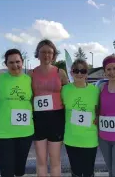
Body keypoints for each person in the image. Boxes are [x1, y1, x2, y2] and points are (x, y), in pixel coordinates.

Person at [28, 39, 68, 176]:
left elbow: (69, 95)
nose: (46, 55)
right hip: (38, 119)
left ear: (54, 55)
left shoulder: (60, 73)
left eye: (49, 52)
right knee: (41, 160)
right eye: (43, 52)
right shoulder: (31, 74)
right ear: (37, 54)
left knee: (55, 160)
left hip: (56, 118)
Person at [0, 49, 34, 177]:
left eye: (18, 62)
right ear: (6, 64)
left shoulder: (29, 80)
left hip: (25, 132)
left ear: (22, 62)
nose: (15, 65)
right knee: (6, 171)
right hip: (3, 133)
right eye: (11, 62)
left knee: (19, 170)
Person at [61, 58, 99, 177]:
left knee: (88, 171)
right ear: (71, 72)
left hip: (90, 138)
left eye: (83, 71)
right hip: (71, 138)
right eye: (76, 71)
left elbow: (99, 110)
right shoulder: (65, 90)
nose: (79, 74)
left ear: (87, 73)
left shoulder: (95, 90)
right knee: (76, 171)